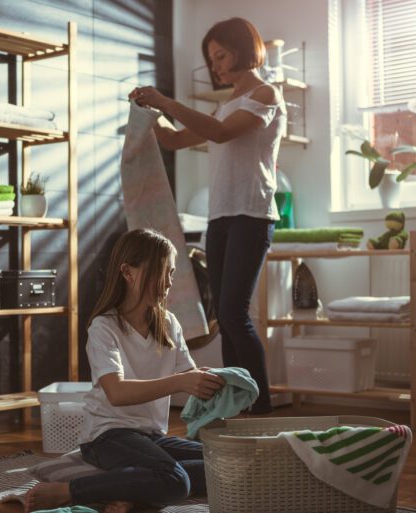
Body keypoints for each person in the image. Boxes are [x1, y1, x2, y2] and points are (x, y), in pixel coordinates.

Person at [129, 17, 285, 415]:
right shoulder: (223, 104)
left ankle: (261, 408)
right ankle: (237, 407)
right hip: (220, 219)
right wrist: (149, 112)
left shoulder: (266, 96)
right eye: (211, 59)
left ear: (243, 49)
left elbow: (218, 133)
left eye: (221, 55)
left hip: (251, 215)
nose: (215, 65)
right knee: (226, 318)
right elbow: (178, 139)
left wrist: (166, 101)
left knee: (233, 312)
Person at [24, 228, 225, 513]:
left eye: (171, 273)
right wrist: (181, 381)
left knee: (224, 461)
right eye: (162, 272)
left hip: (150, 436)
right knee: (176, 480)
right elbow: (116, 393)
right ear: (128, 273)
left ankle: (129, 487)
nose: (169, 283)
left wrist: (214, 383)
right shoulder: (104, 328)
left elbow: (187, 376)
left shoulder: (169, 324)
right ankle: (68, 491)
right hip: (106, 436)